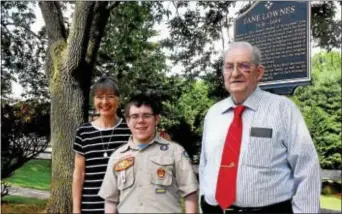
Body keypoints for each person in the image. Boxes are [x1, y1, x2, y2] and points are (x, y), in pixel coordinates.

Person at [199, 41, 321, 213]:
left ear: (259, 72)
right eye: (229, 67)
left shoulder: (283, 109)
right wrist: (203, 200)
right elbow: (205, 164)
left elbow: (307, 167)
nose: (235, 73)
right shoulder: (213, 114)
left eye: (244, 66)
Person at [98, 94, 198, 213]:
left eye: (146, 115)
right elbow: (110, 200)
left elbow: (190, 192)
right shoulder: (117, 156)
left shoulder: (175, 152)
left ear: (156, 119)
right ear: (127, 121)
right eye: (135, 116)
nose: (141, 121)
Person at [72, 77, 131, 214]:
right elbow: (79, 174)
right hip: (90, 206)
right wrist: (76, 209)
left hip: (124, 206)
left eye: (110, 96)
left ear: (118, 100)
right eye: (99, 97)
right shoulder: (83, 132)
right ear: (94, 100)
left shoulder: (129, 129)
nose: (104, 102)